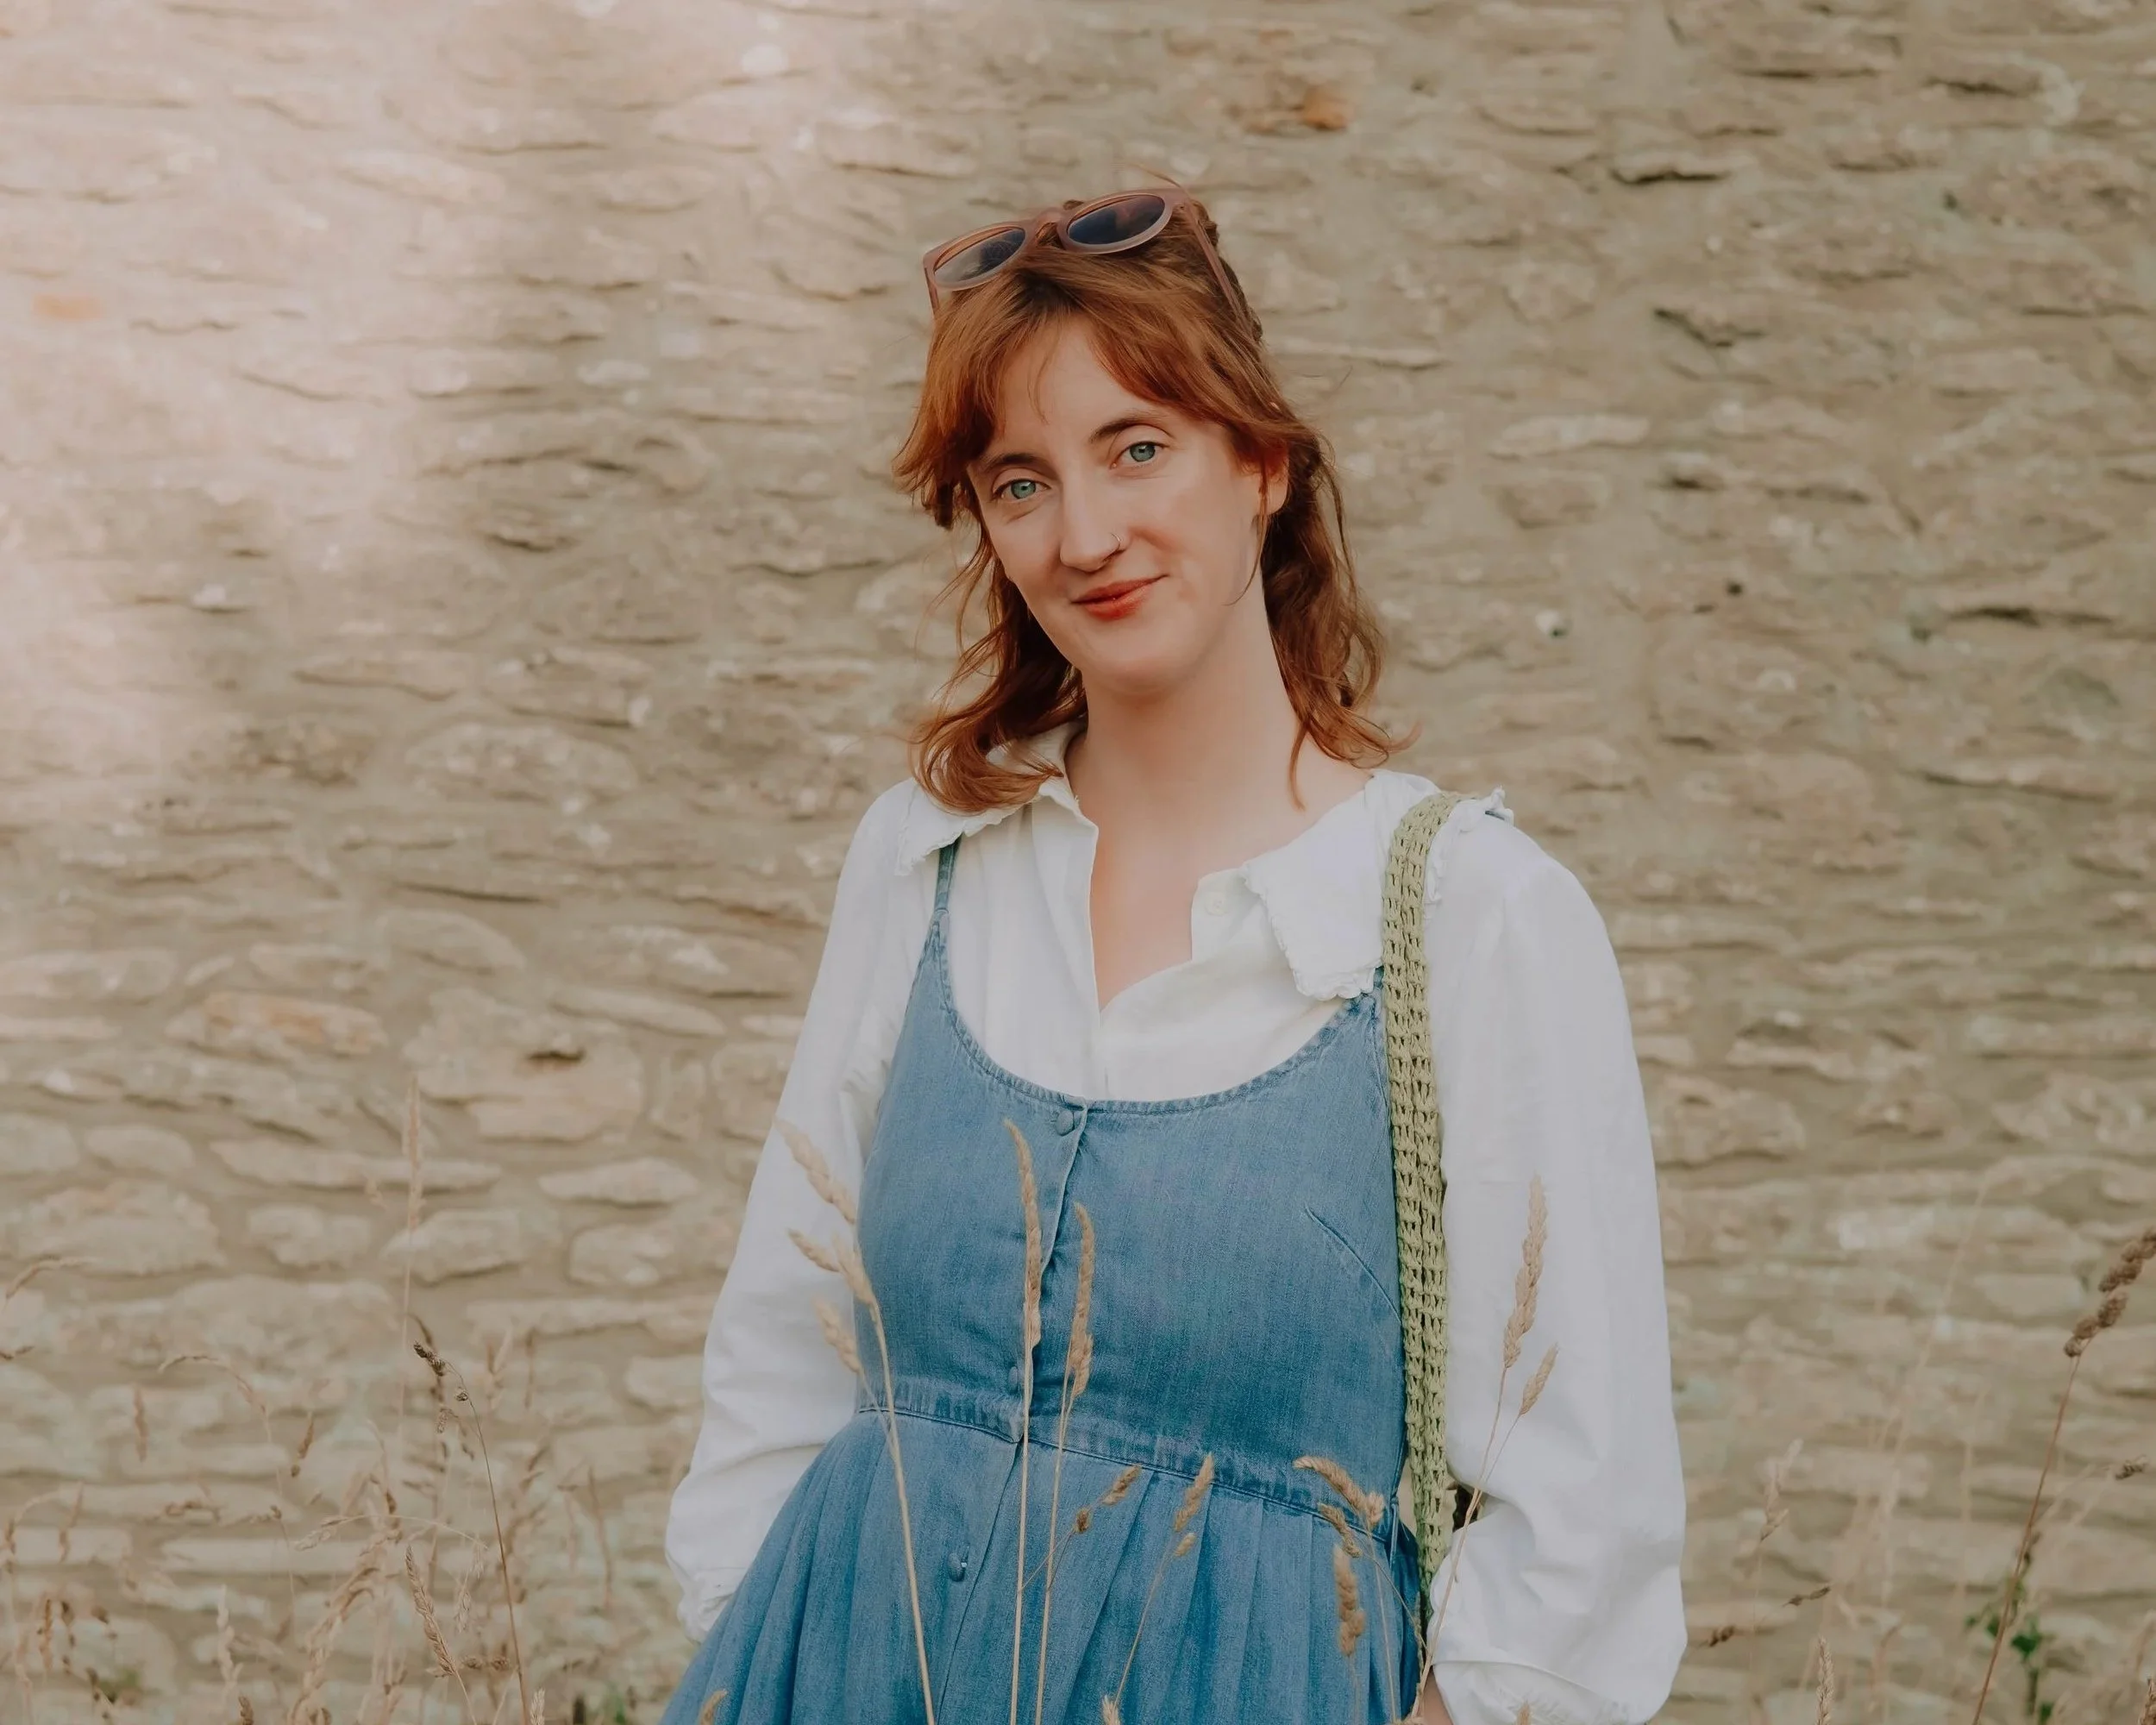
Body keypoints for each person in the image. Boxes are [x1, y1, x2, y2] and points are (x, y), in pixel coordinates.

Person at [661, 187, 1685, 1725]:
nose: (1085, 537)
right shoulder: (925, 864)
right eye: (1020, 483)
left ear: (1262, 463)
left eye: (1137, 448)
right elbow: (779, 1358)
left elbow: (1579, 1516)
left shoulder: (1473, 917)